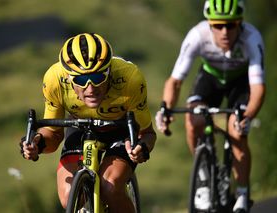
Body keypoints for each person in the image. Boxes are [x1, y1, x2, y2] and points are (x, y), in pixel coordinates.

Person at [20, 33, 156, 213]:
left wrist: (141, 147)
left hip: (119, 129)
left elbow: (147, 133)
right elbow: (53, 135)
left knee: (110, 187)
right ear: (68, 78)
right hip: (80, 127)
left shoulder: (130, 78)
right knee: (69, 197)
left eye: (98, 77)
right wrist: (37, 142)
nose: (90, 89)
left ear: (109, 72)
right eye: (81, 80)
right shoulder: (54, 80)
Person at [155, 0, 265, 212]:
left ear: (240, 23)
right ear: (209, 25)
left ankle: (242, 192)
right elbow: (175, 81)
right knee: (193, 119)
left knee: (236, 130)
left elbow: (258, 88)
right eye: (217, 25)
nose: (224, 32)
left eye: (231, 25)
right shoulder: (197, 35)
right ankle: (204, 179)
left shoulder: (252, 38)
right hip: (210, 79)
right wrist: (166, 108)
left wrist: (247, 116)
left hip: (241, 82)